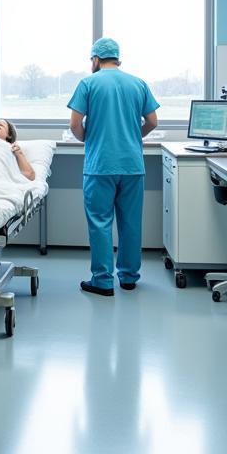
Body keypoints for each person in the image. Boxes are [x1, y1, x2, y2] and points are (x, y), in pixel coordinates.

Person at [68, 37, 159, 297]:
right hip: (132, 165)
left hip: (100, 165)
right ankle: (129, 278)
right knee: (131, 223)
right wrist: (132, 135)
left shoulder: (88, 83)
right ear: (117, 58)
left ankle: (102, 281)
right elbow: (152, 121)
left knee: (100, 222)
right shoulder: (138, 83)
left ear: (95, 59)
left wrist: (88, 137)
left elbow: (75, 124)